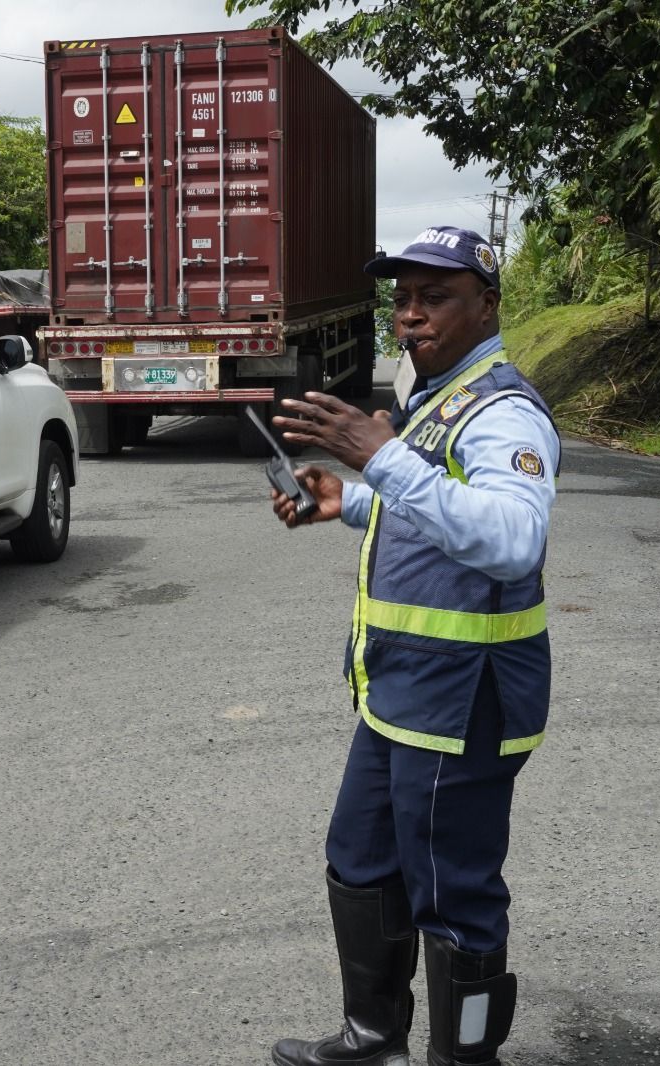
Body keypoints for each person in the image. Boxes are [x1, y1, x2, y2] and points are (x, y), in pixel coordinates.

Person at [264, 226, 560, 1066]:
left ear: (487, 304)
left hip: (465, 699)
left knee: (454, 896)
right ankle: (372, 1038)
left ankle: (463, 1060)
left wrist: (384, 458)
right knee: (358, 860)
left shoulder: (503, 409)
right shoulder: (438, 396)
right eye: (403, 298)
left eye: (437, 296)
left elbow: (510, 539)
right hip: (399, 690)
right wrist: (349, 501)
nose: (412, 314)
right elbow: (431, 514)